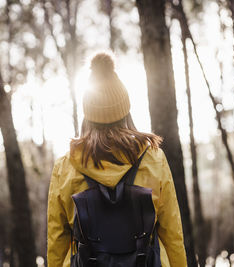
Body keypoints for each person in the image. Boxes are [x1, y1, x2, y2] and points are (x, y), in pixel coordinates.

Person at [47, 53, 187, 267]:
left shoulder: (65, 166)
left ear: (88, 114)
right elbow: (172, 234)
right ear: (125, 112)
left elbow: (57, 240)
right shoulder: (153, 158)